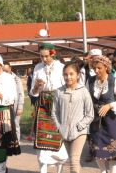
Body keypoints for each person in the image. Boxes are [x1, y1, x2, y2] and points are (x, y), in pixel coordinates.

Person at [30, 43, 68, 173]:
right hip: (42, 105)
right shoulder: (37, 68)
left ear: (53, 53)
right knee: (41, 138)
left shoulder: (61, 67)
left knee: (59, 136)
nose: (44, 59)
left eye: (46, 56)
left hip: (58, 103)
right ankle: (43, 170)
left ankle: (59, 171)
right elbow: (33, 92)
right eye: (41, 56)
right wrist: (36, 86)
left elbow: (68, 88)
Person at [86, 56, 116, 173]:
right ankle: (103, 171)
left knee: (113, 149)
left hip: (111, 119)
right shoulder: (90, 81)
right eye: (94, 68)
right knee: (96, 147)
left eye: (99, 68)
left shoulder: (114, 81)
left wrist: (109, 105)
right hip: (96, 119)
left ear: (106, 67)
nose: (96, 71)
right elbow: (86, 99)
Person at [51, 62, 94, 173]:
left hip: (79, 132)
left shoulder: (83, 91)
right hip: (65, 132)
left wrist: (80, 126)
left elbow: (90, 113)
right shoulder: (59, 92)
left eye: (71, 74)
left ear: (78, 75)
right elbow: (54, 112)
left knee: (73, 162)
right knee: (73, 161)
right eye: (65, 74)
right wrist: (59, 127)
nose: (68, 77)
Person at [2, 61, 25, 141]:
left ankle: (16, 142)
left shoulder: (16, 79)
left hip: (14, 107)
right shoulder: (0, 80)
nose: (5, 73)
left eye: (6, 71)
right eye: (3, 71)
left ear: (10, 69)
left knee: (15, 125)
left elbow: (21, 94)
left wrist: (20, 107)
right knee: (4, 126)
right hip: (4, 106)